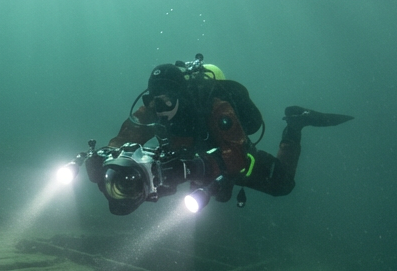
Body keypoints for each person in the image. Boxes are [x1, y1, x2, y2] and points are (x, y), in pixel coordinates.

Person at [88, 57, 352, 211]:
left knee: (283, 186)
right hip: (190, 164)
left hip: (229, 160)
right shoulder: (153, 110)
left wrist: (199, 165)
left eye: (167, 101)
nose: (161, 109)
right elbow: (125, 139)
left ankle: (295, 124)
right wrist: (107, 157)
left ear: (180, 96)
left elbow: (236, 150)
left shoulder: (215, 108)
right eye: (155, 101)